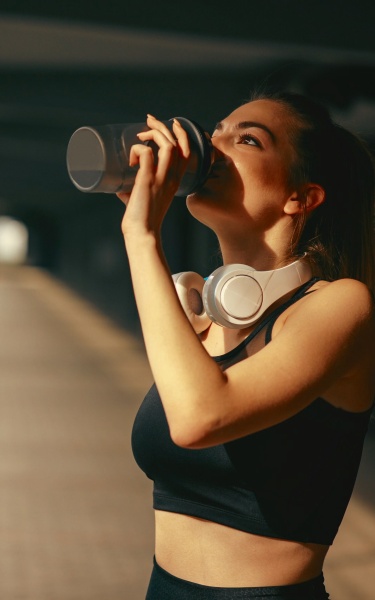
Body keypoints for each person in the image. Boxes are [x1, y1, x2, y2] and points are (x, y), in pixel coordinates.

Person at [117, 90, 375, 600]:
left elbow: (200, 419)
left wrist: (142, 236)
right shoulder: (201, 315)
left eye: (248, 139)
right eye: (216, 131)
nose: (212, 148)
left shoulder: (342, 306)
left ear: (300, 196)